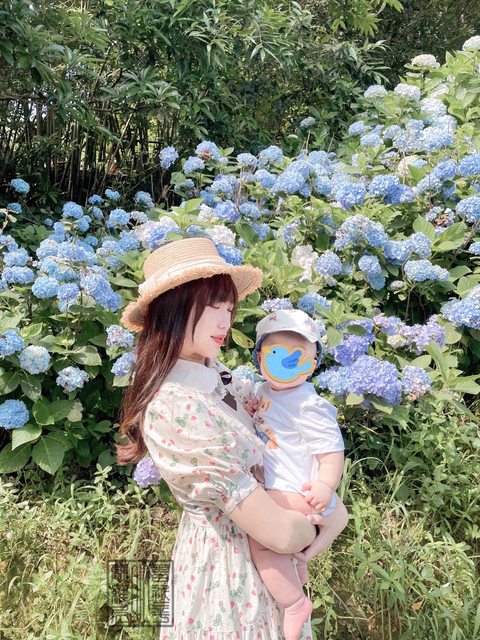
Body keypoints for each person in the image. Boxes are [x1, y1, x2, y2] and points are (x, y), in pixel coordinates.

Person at [115, 237, 343, 639]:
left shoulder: (219, 378)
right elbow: (278, 532)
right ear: (173, 311)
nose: (225, 322)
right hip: (226, 574)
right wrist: (329, 522)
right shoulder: (174, 406)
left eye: (228, 309)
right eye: (212, 308)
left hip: (266, 569)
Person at [247, 309, 349, 640]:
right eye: (276, 354)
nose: (287, 362)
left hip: (298, 489)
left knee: (261, 540)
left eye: (299, 356)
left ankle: (293, 603)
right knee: (280, 545)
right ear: (259, 357)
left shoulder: (309, 406)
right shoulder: (261, 391)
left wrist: (325, 486)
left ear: (313, 363)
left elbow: (331, 452)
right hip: (279, 485)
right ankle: (299, 565)